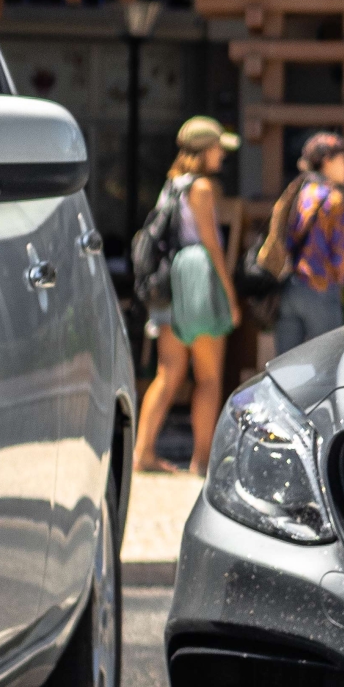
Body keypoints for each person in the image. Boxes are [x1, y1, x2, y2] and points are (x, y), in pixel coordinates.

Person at [132, 117, 242, 473]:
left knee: (168, 374)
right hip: (197, 285)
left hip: (170, 288)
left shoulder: (172, 185)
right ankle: (201, 461)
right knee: (209, 377)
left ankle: (143, 453)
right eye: (218, 148)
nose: (222, 155)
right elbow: (211, 244)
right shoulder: (203, 189)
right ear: (204, 150)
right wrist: (230, 296)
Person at [268, 132, 344, 354]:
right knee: (328, 363)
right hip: (321, 286)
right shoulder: (334, 199)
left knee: (285, 367)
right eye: (343, 160)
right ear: (327, 161)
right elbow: (340, 253)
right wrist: (339, 286)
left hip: (290, 286)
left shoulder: (298, 192)